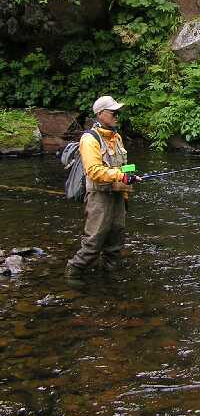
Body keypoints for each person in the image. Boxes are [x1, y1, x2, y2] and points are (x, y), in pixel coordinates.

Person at [65, 95, 141, 280]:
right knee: (93, 243)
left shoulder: (117, 137)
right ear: (100, 114)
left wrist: (131, 175)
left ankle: (109, 277)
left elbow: (122, 166)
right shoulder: (89, 139)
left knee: (115, 242)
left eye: (118, 112)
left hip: (118, 195)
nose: (117, 115)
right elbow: (93, 171)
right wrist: (121, 175)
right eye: (113, 112)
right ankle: (72, 275)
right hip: (99, 197)